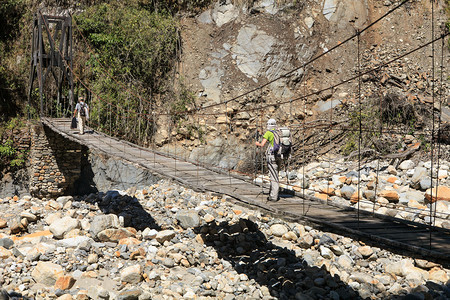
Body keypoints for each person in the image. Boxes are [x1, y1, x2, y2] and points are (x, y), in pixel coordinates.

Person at [255, 118, 280, 202]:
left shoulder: (268, 133)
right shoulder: (279, 132)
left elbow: (262, 144)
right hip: (280, 156)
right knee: (276, 174)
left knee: (273, 176)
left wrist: (257, 143)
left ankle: (273, 197)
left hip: (272, 156)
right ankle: (273, 193)